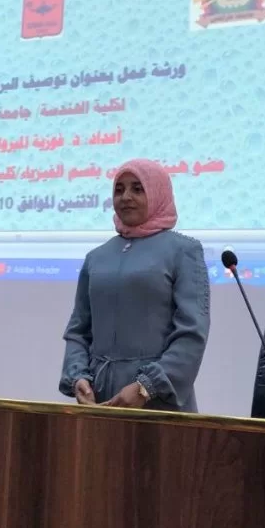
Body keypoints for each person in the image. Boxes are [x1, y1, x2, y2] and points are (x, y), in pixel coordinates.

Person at [59, 159, 210, 411]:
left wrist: (146, 387)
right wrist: (78, 377)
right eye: (119, 190)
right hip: (99, 400)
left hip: (158, 402)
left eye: (137, 189)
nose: (126, 197)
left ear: (158, 193)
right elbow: (78, 331)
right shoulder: (96, 257)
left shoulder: (184, 251)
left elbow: (192, 333)